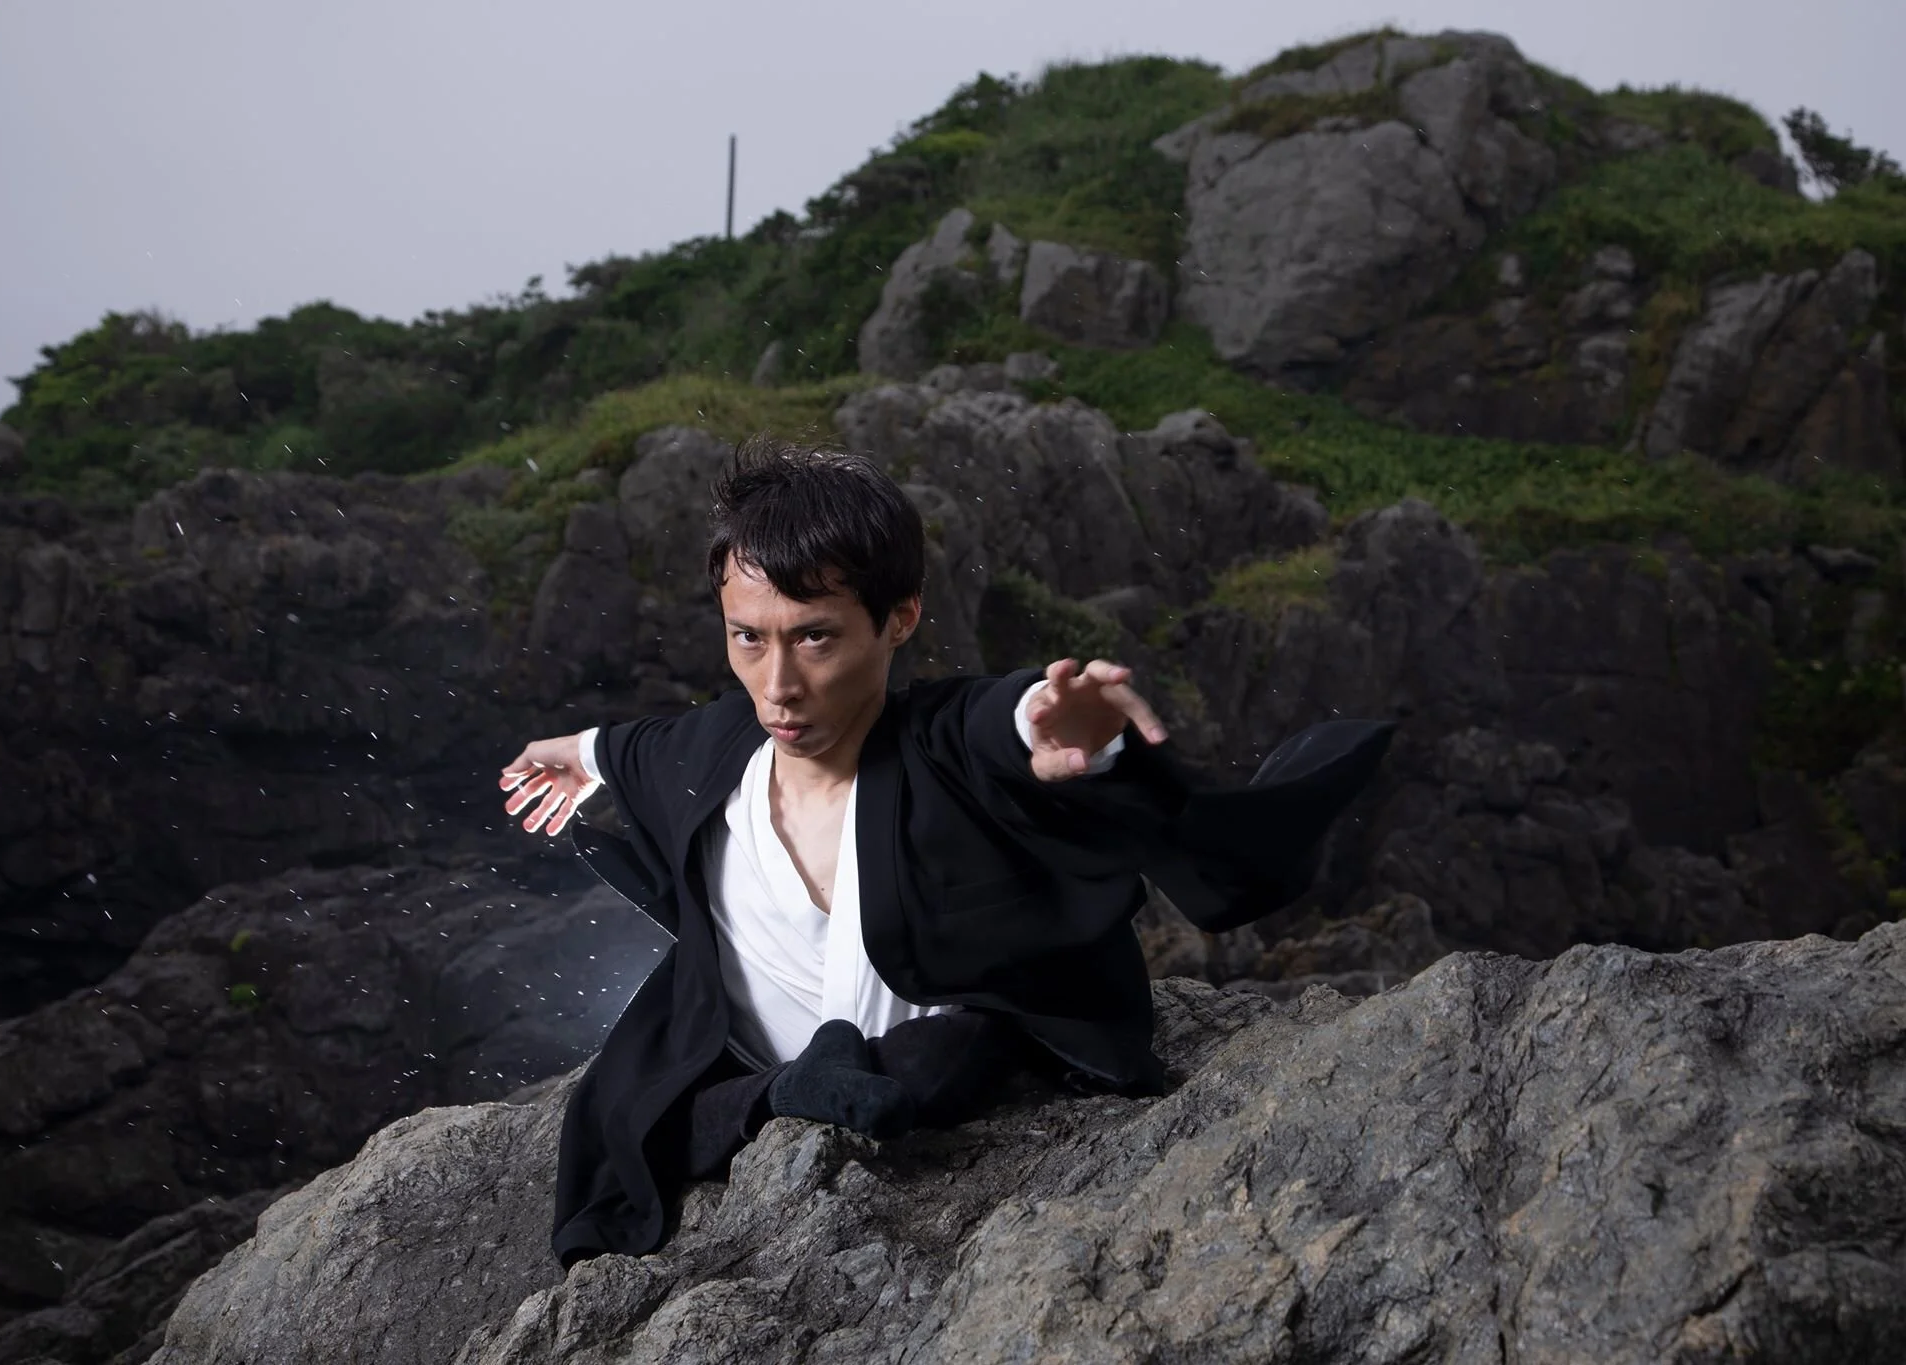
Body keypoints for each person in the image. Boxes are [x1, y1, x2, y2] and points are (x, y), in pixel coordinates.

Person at [500, 438, 1393, 1267]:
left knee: (963, 1051)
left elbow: (995, 720)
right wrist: (574, 754)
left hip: (936, 1045)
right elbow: (633, 745)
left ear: (900, 616)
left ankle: (834, 1078)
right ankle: (785, 1092)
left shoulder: (943, 743)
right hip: (753, 1052)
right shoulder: (712, 748)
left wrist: (1066, 733)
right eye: (748, 637)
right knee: (630, 1110)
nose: (778, 685)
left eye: (816, 635)